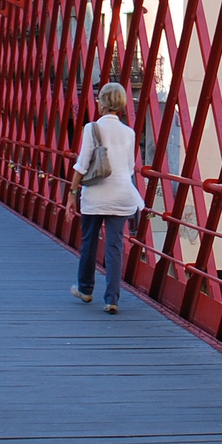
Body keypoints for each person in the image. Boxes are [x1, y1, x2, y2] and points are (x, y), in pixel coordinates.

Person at [68, 83, 145, 314]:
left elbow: (82, 165)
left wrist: (72, 193)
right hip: (122, 194)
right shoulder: (129, 133)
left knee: (89, 242)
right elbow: (130, 168)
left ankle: (85, 289)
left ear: (101, 102)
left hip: (96, 195)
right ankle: (112, 299)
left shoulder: (92, 128)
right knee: (114, 247)